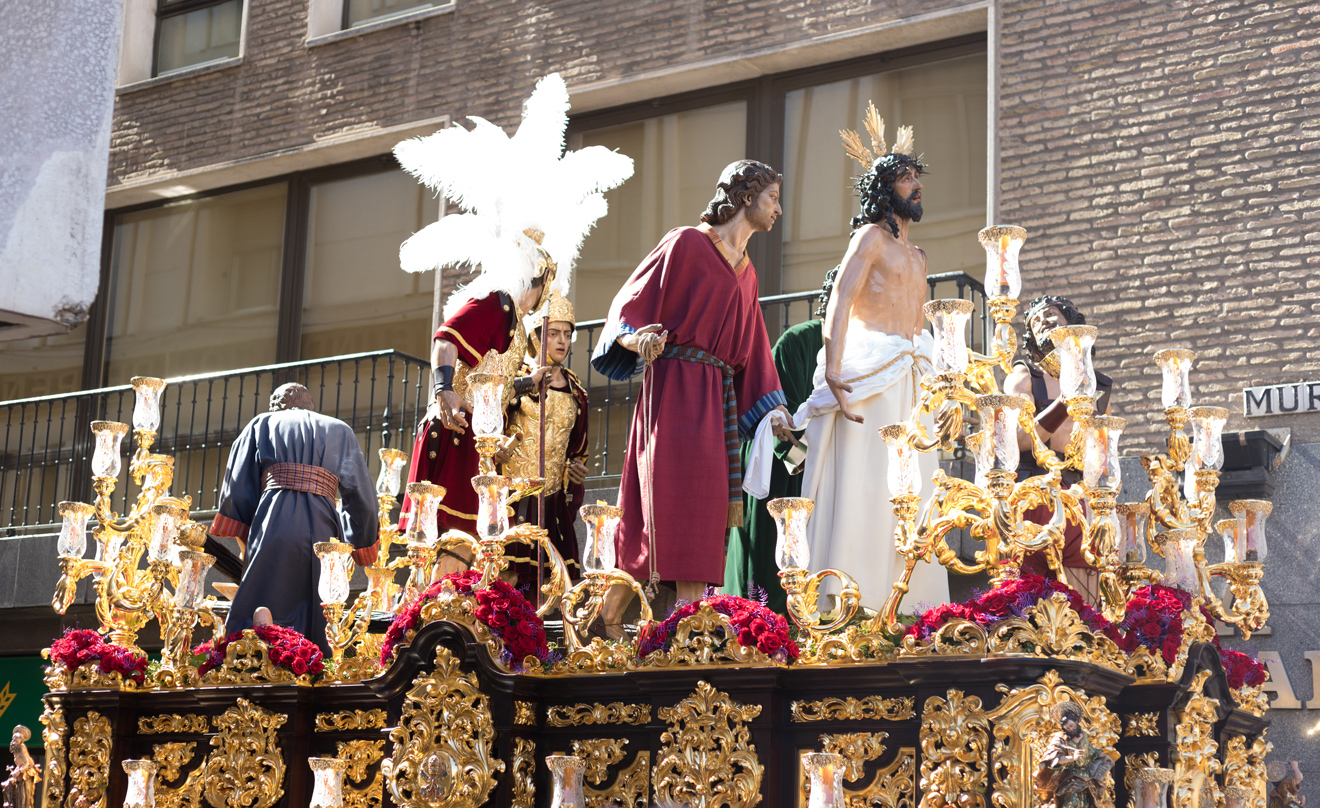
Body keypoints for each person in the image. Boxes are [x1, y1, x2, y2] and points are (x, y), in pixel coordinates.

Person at [592, 160, 796, 634]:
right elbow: (628, 306)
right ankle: (620, 617)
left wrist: (774, 411)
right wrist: (636, 340)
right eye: (772, 198)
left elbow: (754, 351)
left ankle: (683, 622)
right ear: (746, 196)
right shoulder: (685, 242)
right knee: (666, 503)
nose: (779, 209)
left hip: (716, 403)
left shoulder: (748, 273)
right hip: (674, 392)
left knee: (704, 511)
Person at [792, 113, 948, 615]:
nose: (916, 185)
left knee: (914, 489)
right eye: (905, 177)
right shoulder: (869, 239)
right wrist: (833, 368)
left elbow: (920, 324)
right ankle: (851, 598)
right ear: (884, 189)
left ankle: (912, 606)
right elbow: (840, 298)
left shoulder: (919, 256)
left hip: (910, 377)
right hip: (871, 375)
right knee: (866, 482)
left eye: (917, 176)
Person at [209, 383, 377, 650]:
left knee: (258, 607)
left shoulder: (260, 424)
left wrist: (248, 543)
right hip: (324, 531)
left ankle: (254, 661)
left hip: (272, 524)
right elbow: (361, 499)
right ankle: (314, 662)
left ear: (276, 406)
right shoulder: (341, 430)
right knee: (323, 609)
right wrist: (359, 545)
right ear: (310, 403)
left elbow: (237, 491)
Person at [723, 267, 837, 614]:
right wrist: (808, 462)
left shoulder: (859, 349)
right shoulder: (798, 341)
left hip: (821, 469)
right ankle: (761, 627)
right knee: (772, 570)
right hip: (783, 472)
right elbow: (780, 420)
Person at [1004, 295, 1115, 602]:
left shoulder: (1100, 386)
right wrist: (1066, 401)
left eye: (1051, 314)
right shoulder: (1024, 378)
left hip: (1080, 494)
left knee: (1085, 593)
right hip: (1033, 489)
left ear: (1070, 321)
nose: (1044, 321)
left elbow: (1103, 449)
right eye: (1035, 321)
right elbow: (1017, 439)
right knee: (1027, 596)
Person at [495, 291, 590, 583]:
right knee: (508, 576)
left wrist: (576, 470)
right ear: (536, 337)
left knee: (558, 583)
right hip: (513, 497)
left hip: (553, 501)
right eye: (554, 333)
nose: (562, 341)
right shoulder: (514, 379)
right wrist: (497, 448)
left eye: (567, 335)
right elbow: (490, 416)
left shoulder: (577, 393)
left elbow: (578, 450)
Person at [1034, 701, 1115, 808]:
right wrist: (1072, 757)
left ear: (1077, 721)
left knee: (1086, 804)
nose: (1071, 729)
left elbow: (1090, 751)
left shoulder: (1084, 736)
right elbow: (1053, 759)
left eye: (1072, 725)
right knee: (1071, 803)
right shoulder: (1061, 739)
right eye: (1068, 728)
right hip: (1070, 778)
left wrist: (1103, 755)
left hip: (1086, 777)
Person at [1, 726, 38, 808]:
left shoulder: (21, 747)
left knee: (22, 796)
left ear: (21, 740)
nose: (14, 740)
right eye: (14, 738)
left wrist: (19, 771)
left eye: (17, 738)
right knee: (8, 787)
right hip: (19, 771)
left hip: (24, 773)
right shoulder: (16, 748)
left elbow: (27, 763)